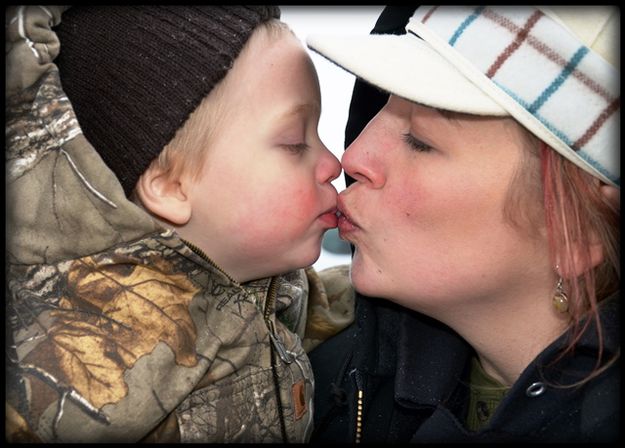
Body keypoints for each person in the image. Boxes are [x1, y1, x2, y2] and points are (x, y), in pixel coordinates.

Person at [5, 5, 355, 443]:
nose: (333, 163)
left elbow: (334, 306)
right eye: (293, 142)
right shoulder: (76, 372)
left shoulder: (272, 282)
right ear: (171, 186)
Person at [306, 5, 620, 443]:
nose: (353, 157)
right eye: (380, 107)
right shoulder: (308, 368)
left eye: (421, 142)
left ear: (576, 235)